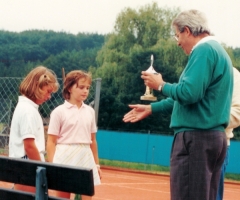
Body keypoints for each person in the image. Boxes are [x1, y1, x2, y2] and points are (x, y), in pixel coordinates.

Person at [123, 9, 233, 200]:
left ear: (187, 31)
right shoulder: (218, 51)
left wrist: (161, 85)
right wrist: (151, 108)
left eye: (177, 35)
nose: (178, 42)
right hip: (212, 137)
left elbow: (188, 93)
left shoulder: (204, 51)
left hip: (196, 139)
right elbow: (187, 96)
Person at [47, 70, 101, 200]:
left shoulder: (90, 112)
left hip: (85, 156)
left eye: (88, 88)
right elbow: (51, 141)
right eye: (81, 87)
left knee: (87, 196)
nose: (85, 91)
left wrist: (97, 164)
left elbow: (93, 140)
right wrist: (52, 164)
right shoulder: (58, 112)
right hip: (64, 157)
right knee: (62, 197)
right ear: (70, 88)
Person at [9, 66, 59, 192]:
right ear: (37, 86)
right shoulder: (28, 111)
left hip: (23, 167)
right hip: (28, 168)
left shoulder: (25, 107)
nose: (49, 97)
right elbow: (29, 146)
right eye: (48, 91)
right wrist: (42, 171)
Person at [217, 67, 240, 200]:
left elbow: (237, 113)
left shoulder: (233, 75)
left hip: (217, 144)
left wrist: (207, 120)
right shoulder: (196, 68)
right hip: (189, 143)